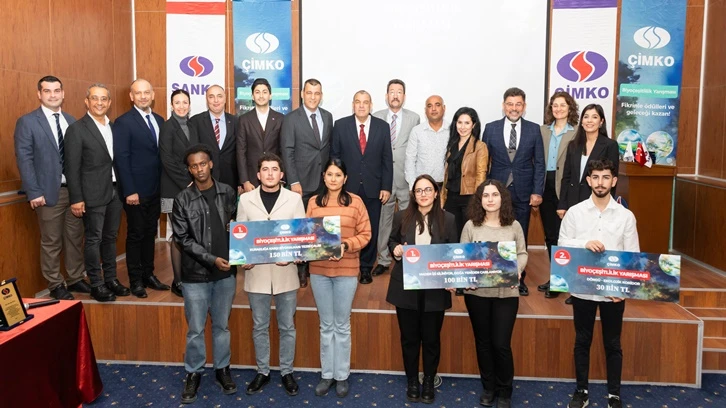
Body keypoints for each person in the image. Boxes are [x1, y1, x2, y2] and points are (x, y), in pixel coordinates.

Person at [559, 159, 638, 408]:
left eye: (605, 177)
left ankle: (614, 394)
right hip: (582, 288)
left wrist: (622, 288)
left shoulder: (626, 216)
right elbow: (562, 246)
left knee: (613, 343)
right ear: (589, 180)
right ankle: (581, 391)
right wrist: (584, 243)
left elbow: (632, 256)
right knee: (582, 341)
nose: (600, 182)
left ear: (613, 181)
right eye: (595, 177)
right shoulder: (575, 213)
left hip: (613, 291)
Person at [172, 144, 238, 404]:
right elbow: (183, 239)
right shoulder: (182, 199)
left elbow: (238, 227)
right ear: (189, 170)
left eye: (202, 163)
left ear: (210, 164)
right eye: (194, 166)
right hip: (196, 275)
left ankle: (222, 369)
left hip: (226, 273)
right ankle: (193, 372)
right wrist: (212, 260)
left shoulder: (228, 192)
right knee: (196, 330)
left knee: (222, 326)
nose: (199, 169)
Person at [236, 153, 304, 397]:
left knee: (287, 326)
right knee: (259, 326)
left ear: (281, 174)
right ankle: (262, 371)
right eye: (265, 169)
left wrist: (294, 254)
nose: (270, 173)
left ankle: (287, 371)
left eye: (274, 169)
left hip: (286, 273)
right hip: (257, 274)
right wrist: (243, 259)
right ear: (258, 175)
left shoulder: (294, 199)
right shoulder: (245, 200)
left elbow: (300, 237)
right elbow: (241, 235)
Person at [14, 75, 87, 300]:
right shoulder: (28, 122)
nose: (53, 95)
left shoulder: (71, 120)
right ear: (39, 94)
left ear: (63, 93)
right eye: (47, 91)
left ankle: (75, 278)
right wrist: (34, 192)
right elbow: (24, 159)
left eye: (56, 91)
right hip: (46, 193)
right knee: (51, 240)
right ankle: (55, 283)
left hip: (73, 192)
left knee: (75, 238)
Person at [386, 174, 457, 404]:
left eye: (428, 190)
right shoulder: (401, 217)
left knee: (431, 339)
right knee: (409, 339)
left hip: (435, 289)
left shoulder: (448, 220)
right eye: (418, 190)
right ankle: (412, 381)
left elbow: (453, 253)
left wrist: (452, 278)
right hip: (406, 287)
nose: (423, 194)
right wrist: (396, 250)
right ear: (413, 195)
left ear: (436, 193)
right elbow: (392, 241)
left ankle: (428, 380)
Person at [306, 159, 371, 398]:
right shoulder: (313, 202)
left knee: (342, 325)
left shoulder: (356, 202)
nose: (333, 179)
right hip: (319, 271)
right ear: (323, 176)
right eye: (330, 174)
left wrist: (345, 245)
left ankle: (341, 375)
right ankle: (327, 374)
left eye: (338, 175)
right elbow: (306, 235)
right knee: (326, 325)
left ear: (345, 179)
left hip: (346, 270)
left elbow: (366, 234)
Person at [460, 179, 527, 408]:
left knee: (501, 343)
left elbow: (522, 253)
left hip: (506, 294)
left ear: (502, 198)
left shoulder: (514, 226)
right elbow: (463, 256)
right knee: (483, 342)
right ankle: (488, 388)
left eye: (495, 195)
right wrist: (466, 277)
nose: (490, 199)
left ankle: (505, 390)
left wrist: (518, 269)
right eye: (486, 195)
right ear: (479, 200)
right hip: (476, 293)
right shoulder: (471, 226)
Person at [64, 84, 128, 302]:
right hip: (92, 193)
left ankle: (111, 279)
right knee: (94, 239)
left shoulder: (114, 127)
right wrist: (76, 198)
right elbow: (71, 168)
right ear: (87, 101)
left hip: (115, 191)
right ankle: (96, 284)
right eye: (95, 98)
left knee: (110, 237)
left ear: (109, 103)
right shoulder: (77, 129)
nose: (99, 103)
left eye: (103, 99)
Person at [482, 87, 545, 296]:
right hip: (496, 192)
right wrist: (484, 191)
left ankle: (519, 278)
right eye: (510, 104)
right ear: (503, 106)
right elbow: (484, 162)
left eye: (518, 104)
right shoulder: (490, 128)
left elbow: (539, 163)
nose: (514, 108)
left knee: (519, 235)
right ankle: (495, 274)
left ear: (524, 107)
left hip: (524, 192)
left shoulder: (534, 129)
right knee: (496, 234)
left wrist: (537, 191)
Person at [113, 78, 170, 298]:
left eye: (147, 92)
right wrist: (129, 191)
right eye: (138, 93)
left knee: (150, 233)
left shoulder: (159, 120)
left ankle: (148, 274)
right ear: (131, 96)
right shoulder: (123, 122)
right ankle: (135, 280)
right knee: (136, 235)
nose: (143, 96)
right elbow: (122, 158)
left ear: (153, 95)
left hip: (156, 189)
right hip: (135, 191)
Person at [557, 103, 619, 305]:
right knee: (576, 243)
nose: (589, 121)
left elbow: (612, 178)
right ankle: (576, 288)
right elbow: (566, 177)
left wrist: (607, 206)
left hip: (596, 202)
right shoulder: (573, 145)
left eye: (594, 117)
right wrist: (562, 204)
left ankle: (595, 284)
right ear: (581, 121)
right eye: (586, 117)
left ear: (601, 121)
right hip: (574, 202)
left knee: (594, 243)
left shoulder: (609, 145)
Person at [331, 90, 392, 284]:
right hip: (347, 188)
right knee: (346, 228)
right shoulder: (341, 125)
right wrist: (336, 185)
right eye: (358, 102)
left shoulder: (382, 127)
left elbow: (387, 159)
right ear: (353, 105)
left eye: (365, 102)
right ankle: (345, 264)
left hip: (374, 188)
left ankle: (366, 268)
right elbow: (335, 158)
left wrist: (386, 187)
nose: (362, 105)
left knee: (370, 229)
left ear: (371, 105)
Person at [280, 78, 334, 287]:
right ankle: (302, 269)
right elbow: (287, 151)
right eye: (309, 92)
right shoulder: (291, 119)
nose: (313, 97)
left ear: (321, 95)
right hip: (301, 183)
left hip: (323, 182)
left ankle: (317, 265)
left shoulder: (328, 117)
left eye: (317, 93)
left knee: (319, 226)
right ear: (302, 94)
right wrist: (293, 181)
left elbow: (326, 149)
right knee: (302, 227)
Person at [371, 79, 421, 278]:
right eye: (392, 91)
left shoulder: (414, 118)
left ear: (404, 96)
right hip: (384, 180)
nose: (395, 95)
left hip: (406, 179)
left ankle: (410, 259)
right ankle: (383, 259)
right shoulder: (376, 117)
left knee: (409, 221)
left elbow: (416, 149)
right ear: (386, 96)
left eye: (399, 92)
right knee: (384, 221)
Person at [537, 91, 578, 299]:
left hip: (566, 187)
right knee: (551, 235)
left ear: (570, 108)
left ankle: (571, 282)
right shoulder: (542, 130)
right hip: (546, 185)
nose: (558, 109)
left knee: (568, 237)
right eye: (555, 105)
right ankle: (557, 278)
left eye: (563, 105)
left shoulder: (577, 131)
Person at [160, 89, 198, 297]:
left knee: (190, 234)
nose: (182, 106)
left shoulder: (192, 125)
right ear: (171, 105)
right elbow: (167, 160)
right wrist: (188, 182)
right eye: (177, 102)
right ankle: (178, 281)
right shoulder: (167, 127)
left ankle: (189, 276)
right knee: (178, 235)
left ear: (189, 105)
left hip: (192, 187)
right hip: (174, 189)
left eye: (185, 102)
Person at [442, 107, 488, 237]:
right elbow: (447, 175)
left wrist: (478, 199)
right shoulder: (452, 145)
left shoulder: (480, 146)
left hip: (469, 198)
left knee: (468, 235)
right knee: (452, 235)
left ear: (473, 125)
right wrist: (442, 197)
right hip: (451, 196)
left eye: (467, 123)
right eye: (460, 122)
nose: (462, 127)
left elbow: (481, 174)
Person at [236, 78, 284, 193]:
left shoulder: (280, 119)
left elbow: (283, 150)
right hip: (252, 178)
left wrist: (282, 177)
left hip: (275, 177)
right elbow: (241, 152)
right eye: (257, 92)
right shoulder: (244, 120)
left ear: (270, 96)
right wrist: (245, 181)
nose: (261, 96)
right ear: (252, 96)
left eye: (264, 92)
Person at [190, 85, 240, 193]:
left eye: (219, 96)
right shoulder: (196, 121)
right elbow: (192, 154)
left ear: (225, 99)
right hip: (204, 181)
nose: (216, 100)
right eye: (211, 97)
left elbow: (240, 152)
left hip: (230, 181)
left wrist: (241, 182)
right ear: (206, 100)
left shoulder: (236, 122)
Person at [404, 95, 449, 187]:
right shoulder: (417, 131)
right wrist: (413, 185)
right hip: (422, 187)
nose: (433, 109)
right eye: (429, 106)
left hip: (446, 187)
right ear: (425, 110)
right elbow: (410, 160)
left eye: (437, 105)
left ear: (444, 108)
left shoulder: (452, 131)